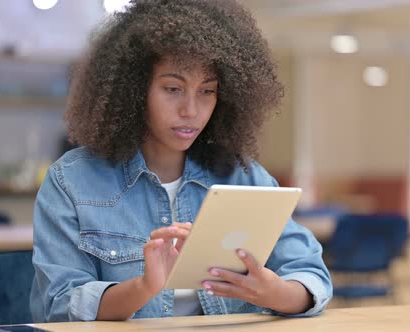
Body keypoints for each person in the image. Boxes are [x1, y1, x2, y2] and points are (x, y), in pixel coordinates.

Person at [30, 0, 332, 322]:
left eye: (207, 91)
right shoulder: (71, 181)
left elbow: (312, 276)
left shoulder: (244, 177)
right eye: (173, 88)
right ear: (132, 90)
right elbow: (60, 306)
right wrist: (144, 287)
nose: (191, 110)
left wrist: (275, 293)